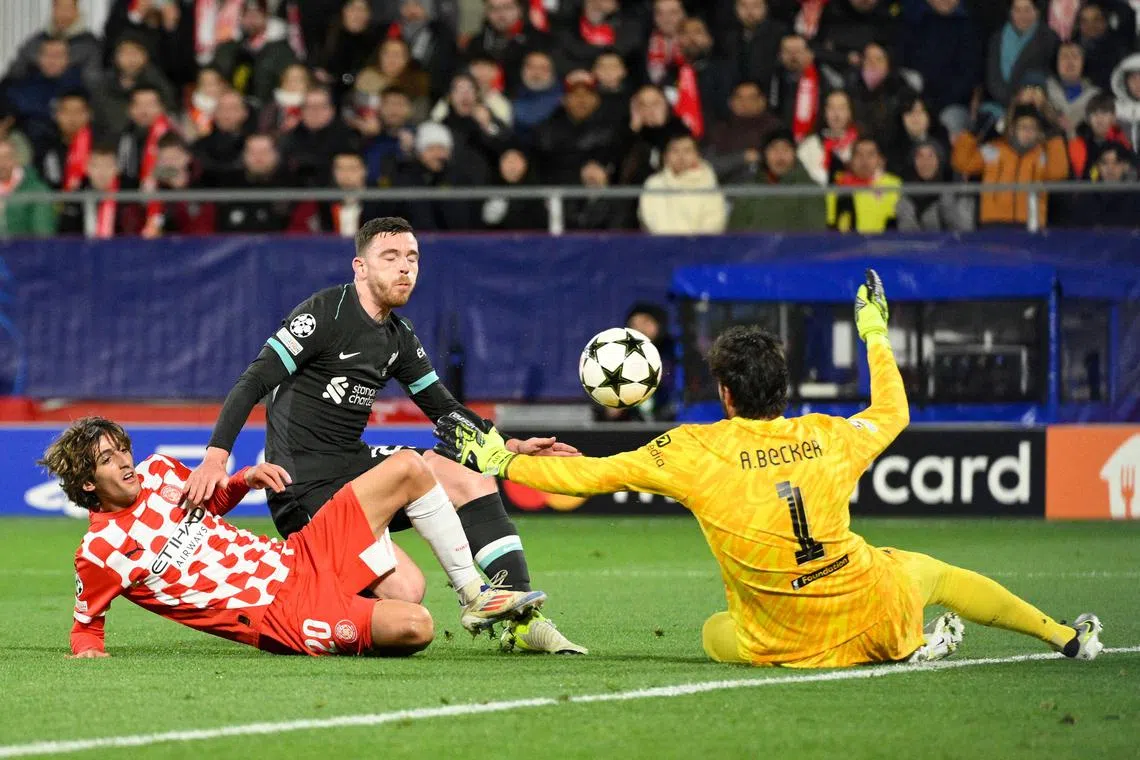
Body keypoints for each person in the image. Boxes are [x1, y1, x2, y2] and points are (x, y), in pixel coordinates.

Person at [434, 270, 1105, 669]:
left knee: (713, 633)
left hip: (777, 639)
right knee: (930, 573)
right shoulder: (829, 436)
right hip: (872, 613)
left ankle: (913, 641)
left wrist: (499, 458)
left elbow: (590, 476)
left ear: (725, 394)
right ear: (785, 384)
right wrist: (874, 331)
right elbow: (893, 410)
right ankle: (1062, 635)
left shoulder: (690, 451)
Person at [184, 217, 587, 655]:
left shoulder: (397, 336)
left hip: (353, 472)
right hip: (304, 489)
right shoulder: (324, 314)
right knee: (409, 561)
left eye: (412, 258)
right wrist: (215, 456)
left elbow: (444, 409)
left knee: (455, 495)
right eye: (390, 257)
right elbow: (252, 381)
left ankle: (518, 620)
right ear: (360, 266)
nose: (404, 268)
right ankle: (463, 594)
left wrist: (507, 446)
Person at [42, 416, 546, 658]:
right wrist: (89, 652)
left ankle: (476, 596)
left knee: (411, 468)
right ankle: (351, 609)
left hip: (297, 555)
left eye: (121, 449)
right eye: (108, 459)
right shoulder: (99, 553)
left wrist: (243, 480)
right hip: (283, 616)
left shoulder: (159, 472)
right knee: (416, 624)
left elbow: (208, 504)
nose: (125, 461)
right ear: (88, 483)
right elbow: (87, 627)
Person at [952, 104, 1070, 228]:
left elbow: (1059, 173)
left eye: (1033, 128)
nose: (1028, 132)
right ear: (1013, 129)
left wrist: (1054, 137)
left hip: (1031, 224)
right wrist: (971, 134)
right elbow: (962, 164)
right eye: (1023, 127)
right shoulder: (994, 149)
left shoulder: (1042, 154)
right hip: (993, 223)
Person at [729, 127, 827, 232]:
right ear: (764, 154)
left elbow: (815, 236)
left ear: (794, 154)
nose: (780, 156)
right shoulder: (748, 192)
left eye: (785, 149)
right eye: (774, 149)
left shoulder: (810, 191)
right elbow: (735, 237)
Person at [638, 133, 727, 235]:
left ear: (697, 155)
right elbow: (650, 220)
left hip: (700, 248)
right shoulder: (653, 184)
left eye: (687, 151)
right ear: (666, 156)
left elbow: (714, 223)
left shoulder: (710, 185)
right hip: (662, 247)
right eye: (675, 151)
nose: (681, 156)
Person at [895, 139, 974, 232]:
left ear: (940, 160)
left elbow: (965, 231)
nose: (925, 162)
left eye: (931, 156)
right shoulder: (906, 193)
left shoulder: (956, 189)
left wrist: (945, 205)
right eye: (920, 156)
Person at [828, 136, 901, 233]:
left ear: (879, 160)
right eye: (859, 155)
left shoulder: (893, 185)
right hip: (847, 245)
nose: (864, 160)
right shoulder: (838, 187)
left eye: (870, 155)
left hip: (882, 245)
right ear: (851, 160)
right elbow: (830, 226)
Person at [0, 136, 56, 238]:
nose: (1, 163)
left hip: (24, 251)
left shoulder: (37, 191)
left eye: (7, 157)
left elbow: (43, 234)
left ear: (16, 159)